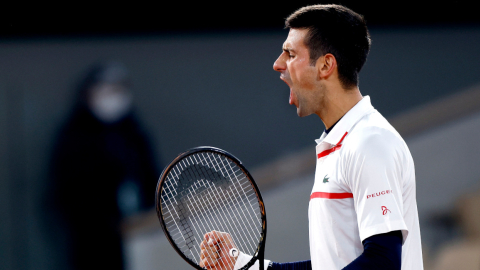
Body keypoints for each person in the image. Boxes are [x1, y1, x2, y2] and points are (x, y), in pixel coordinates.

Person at [199, 4, 423, 270]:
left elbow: (382, 262)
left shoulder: (370, 142)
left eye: (290, 54)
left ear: (326, 65)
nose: (277, 64)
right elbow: (330, 265)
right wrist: (243, 264)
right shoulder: (342, 143)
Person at [49, 62, 160, 270]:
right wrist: (105, 224)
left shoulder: (134, 134)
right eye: (106, 90)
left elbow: (150, 178)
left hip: (142, 235)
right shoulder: (74, 138)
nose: (113, 97)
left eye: (118, 90)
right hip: (94, 242)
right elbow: (69, 192)